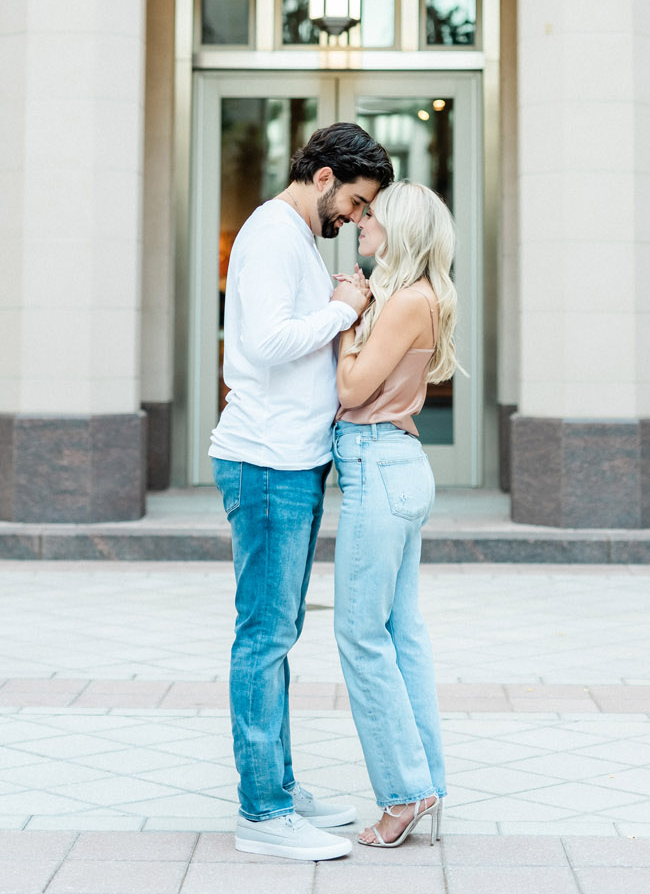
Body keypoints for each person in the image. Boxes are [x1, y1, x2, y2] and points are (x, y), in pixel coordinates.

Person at [210, 121, 394, 862]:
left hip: (289, 460)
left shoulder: (295, 239)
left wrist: (339, 298)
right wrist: (347, 308)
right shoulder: (271, 234)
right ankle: (263, 811)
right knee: (264, 638)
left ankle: (278, 784)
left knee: (277, 634)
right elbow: (267, 343)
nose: (354, 219)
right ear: (323, 178)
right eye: (353, 202)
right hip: (266, 465)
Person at [332, 180, 458, 849]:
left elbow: (352, 388)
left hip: (378, 464)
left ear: (400, 230)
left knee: (360, 635)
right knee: (401, 634)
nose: (361, 222)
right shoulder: (412, 298)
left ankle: (405, 795)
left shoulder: (407, 300)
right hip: (395, 465)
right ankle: (425, 782)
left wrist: (346, 320)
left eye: (372, 216)